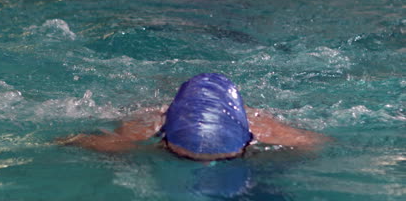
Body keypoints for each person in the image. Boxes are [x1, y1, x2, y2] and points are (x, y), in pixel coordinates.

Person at [58, 73, 329, 161]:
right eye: (185, 157)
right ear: (162, 140)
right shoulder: (136, 135)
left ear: (248, 143)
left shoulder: (286, 139)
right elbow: (72, 139)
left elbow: (321, 145)